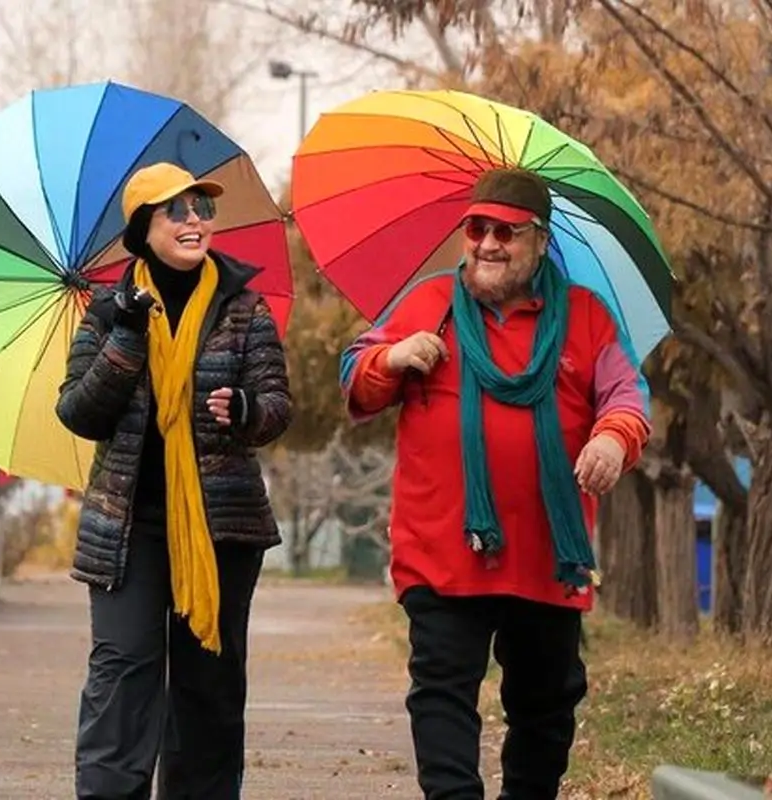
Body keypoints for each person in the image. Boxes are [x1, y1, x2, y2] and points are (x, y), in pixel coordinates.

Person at [339, 168, 651, 800]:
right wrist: (391, 358)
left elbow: (628, 396)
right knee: (442, 692)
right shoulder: (427, 304)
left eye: (505, 232)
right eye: (476, 228)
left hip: (546, 558)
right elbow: (356, 379)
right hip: (442, 551)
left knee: (547, 705)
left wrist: (612, 439)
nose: (487, 243)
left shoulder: (586, 318)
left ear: (539, 240)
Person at [56, 161, 292, 799]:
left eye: (203, 209)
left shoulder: (243, 307)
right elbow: (80, 412)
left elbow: (276, 406)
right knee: (122, 673)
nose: (196, 221)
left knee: (208, 684)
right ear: (143, 229)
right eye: (178, 211)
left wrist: (245, 409)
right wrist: (126, 337)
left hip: (221, 530)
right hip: (128, 529)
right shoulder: (108, 313)